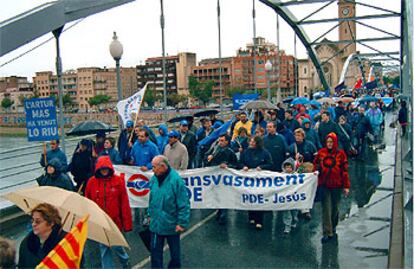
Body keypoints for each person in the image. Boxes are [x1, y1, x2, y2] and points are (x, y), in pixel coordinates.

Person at [85, 156, 132, 269]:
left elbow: (124, 204)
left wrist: (127, 224)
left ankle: (125, 260)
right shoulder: (91, 182)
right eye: (102, 169)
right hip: (100, 222)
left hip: (115, 222)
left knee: (116, 246)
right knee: (104, 248)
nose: (104, 171)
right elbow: (88, 203)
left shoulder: (118, 181)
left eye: (106, 168)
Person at [148, 155, 190, 269]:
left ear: (162, 166)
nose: (152, 169)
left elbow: (184, 204)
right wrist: (149, 215)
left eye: (154, 167)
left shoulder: (176, 180)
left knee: (175, 256)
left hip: (172, 224)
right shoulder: (154, 179)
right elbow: (152, 199)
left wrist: (182, 223)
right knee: (155, 255)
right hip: (156, 224)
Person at [313, 132, 350, 244]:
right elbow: (315, 165)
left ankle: (333, 226)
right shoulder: (321, 153)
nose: (329, 144)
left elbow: (344, 171)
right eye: (328, 142)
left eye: (331, 142)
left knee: (335, 208)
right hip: (324, 185)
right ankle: (327, 232)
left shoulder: (341, 154)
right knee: (326, 209)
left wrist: (346, 186)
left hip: (336, 185)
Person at [239, 136, 273, 230]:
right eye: (250, 141)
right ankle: (251, 217)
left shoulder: (265, 152)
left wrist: (262, 167)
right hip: (249, 178)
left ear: (257, 143)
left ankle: (259, 220)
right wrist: (244, 166)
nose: (251, 143)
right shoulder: (245, 152)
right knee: (250, 197)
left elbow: (270, 164)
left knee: (259, 198)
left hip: (260, 179)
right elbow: (240, 163)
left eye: (253, 142)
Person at [18, 203, 66, 268]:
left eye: (38, 221)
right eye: (32, 221)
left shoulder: (65, 243)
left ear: (51, 223)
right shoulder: (26, 243)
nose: (33, 224)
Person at [205, 134, 238, 225]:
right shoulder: (215, 150)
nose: (220, 142)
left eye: (222, 140)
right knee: (217, 196)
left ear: (227, 142)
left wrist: (228, 166)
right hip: (216, 178)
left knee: (224, 196)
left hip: (225, 180)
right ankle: (219, 211)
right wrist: (208, 158)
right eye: (219, 140)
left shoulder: (230, 152)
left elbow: (236, 165)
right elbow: (206, 159)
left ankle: (223, 214)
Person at [281, 158, 299, 235]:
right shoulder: (281, 175)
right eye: (286, 167)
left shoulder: (297, 175)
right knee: (286, 212)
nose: (288, 169)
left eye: (290, 167)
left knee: (294, 212)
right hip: (285, 197)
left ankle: (294, 221)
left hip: (294, 197)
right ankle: (287, 226)